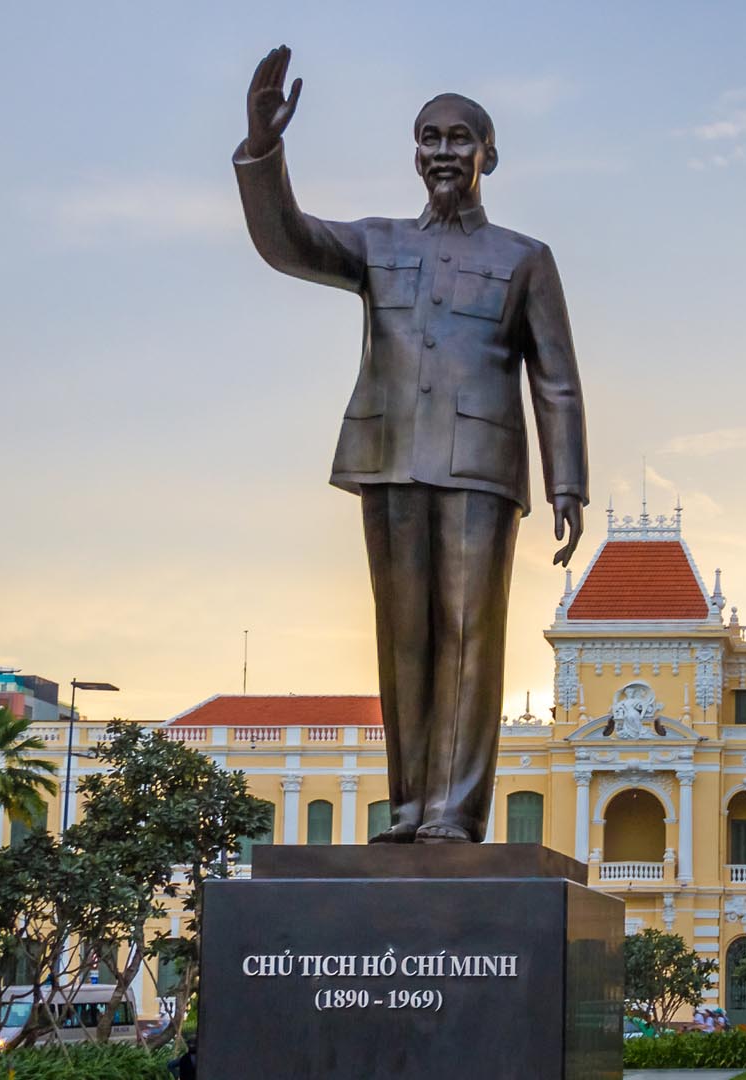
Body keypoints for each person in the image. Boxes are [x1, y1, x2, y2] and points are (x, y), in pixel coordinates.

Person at [233, 46, 588, 844]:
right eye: (429, 138)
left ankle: (452, 815)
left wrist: (568, 481)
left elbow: (555, 379)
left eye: (459, 138)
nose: (442, 152)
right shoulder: (376, 243)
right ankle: (406, 810)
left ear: (488, 155)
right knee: (404, 639)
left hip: (480, 470)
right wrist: (263, 151)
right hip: (389, 458)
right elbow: (287, 241)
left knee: (469, 637)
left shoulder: (524, 258)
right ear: (414, 152)